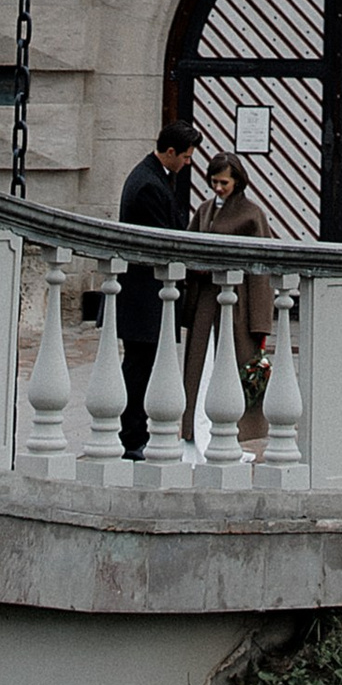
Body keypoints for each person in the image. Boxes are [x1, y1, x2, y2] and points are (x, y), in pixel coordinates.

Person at [116, 114, 199, 461]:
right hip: (145, 295)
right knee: (138, 367)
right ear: (169, 151)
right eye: (185, 157)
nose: (187, 163)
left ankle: (137, 432)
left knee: (142, 365)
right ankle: (133, 436)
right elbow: (166, 239)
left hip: (146, 295)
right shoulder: (150, 184)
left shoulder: (154, 176)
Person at [181, 149, 275, 448]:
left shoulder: (251, 214)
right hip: (206, 304)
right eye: (214, 182)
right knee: (202, 367)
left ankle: (233, 438)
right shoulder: (205, 210)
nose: (218, 188)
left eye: (224, 182)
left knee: (233, 370)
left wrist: (260, 323)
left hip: (239, 306)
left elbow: (262, 272)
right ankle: (196, 432)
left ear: (237, 181)